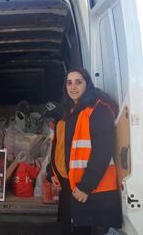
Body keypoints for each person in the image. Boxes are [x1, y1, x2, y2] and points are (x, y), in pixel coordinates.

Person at [49, 68, 122, 235]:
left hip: (88, 191)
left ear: (87, 84)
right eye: (69, 82)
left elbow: (102, 152)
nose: (73, 87)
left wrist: (85, 187)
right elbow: (61, 147)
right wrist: (52, 172)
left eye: (78, 82)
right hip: (69, 188)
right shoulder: (69, 111)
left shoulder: (98, 110)